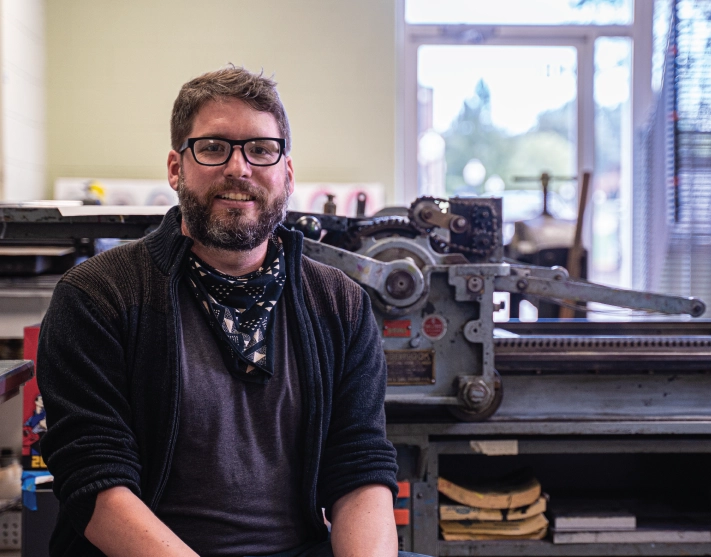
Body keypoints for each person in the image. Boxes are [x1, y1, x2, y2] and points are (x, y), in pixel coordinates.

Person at [38, 67, 423, 557]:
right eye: (214, 148)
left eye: (261, 149)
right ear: (176, 168)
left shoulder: (339, 303)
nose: (239, 168)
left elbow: (360, 468)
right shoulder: (98, 296)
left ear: (286, 172)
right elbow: (93, 480)